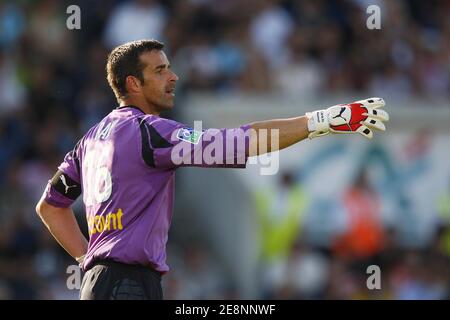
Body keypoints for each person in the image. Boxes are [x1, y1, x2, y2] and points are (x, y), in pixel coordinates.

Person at [35, 39, 389, 300]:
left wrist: (89, 259)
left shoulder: (91, 139)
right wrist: (322, 121)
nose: (172, 77)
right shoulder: (152, 132)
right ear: (133, 84)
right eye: (159, 71)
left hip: (96, 285)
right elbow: (238, 143)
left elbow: (50, 207)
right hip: (129, 285)